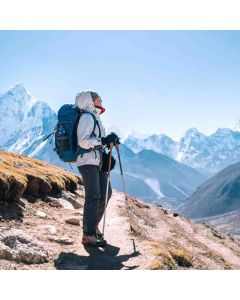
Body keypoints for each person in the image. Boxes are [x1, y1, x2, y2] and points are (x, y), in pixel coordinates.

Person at [75, 90, 120, 247]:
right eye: (98, 98)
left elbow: (97, 141)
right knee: (94, 196)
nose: (101, 100)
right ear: (90, 101)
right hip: (87, 162)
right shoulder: (87, 117)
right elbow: (83, 141)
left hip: (96, 161)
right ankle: (88, 234)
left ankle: (92, 226)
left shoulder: (95, 118)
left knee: (105, 193)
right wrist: (103, 140)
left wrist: (109, 142)